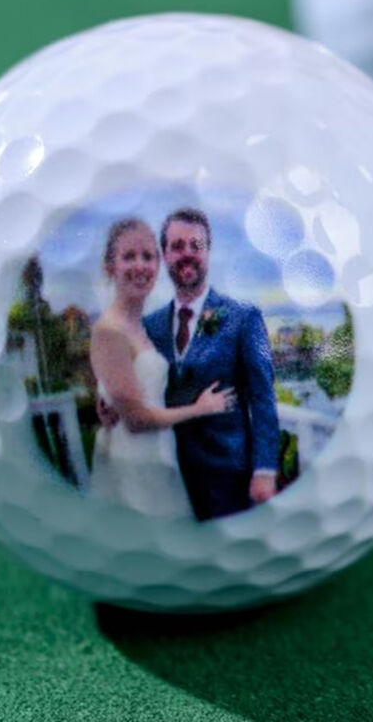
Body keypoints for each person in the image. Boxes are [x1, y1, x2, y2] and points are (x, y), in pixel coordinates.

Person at [99, 208, 281, 521]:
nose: (187, 254)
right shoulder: (149, 326)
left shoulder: (244, 318)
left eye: (196, 245)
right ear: (165, 255)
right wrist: (113, 406)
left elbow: (263, 398)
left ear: (208, 252)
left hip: (229, 478)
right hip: (167, 476)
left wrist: (264, 470)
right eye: (177, 246)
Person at [89, 218, 234, 518]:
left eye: (148, 256)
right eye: (129, 256)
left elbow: (132, 384)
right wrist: (201, 408)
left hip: (157, 457)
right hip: (134, 466)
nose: (140, 265)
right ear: (110, 266)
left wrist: (106, 398)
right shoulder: (110, 329)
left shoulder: (140, 325)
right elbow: (136, 420)